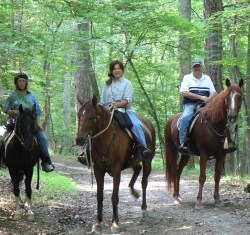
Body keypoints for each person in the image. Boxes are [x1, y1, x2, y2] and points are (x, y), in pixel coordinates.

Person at [78, 60, 152, 165]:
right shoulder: (107, 84)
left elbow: (127, 101)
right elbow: (102, 102)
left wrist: (115, 105)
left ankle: (143, 149)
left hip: (126, 111)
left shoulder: (127, 84)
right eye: (115, 69)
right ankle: (86, 153)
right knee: (93, 126)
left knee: (136, 125)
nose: (117, 71)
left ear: (122, 70)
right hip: (108, 112)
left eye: (119, 68)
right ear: (112, 71)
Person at [4, 72, 54, 172]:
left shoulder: (32, 96)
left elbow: (37, 111)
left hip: (30, 124)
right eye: (19, 81)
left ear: (26, 83)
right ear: (16, 83)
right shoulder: (12, 96)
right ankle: (3, 159)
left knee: (42, 138)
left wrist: (37, 123)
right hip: (14, 123)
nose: (21, 83)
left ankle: (46, 162)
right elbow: (6, 109)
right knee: (1, 137)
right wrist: (15, 112)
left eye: (23, 81)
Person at [178, 59, 217, 153]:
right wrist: (200, 97)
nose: (197, 68)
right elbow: (184, 92)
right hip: (190, 104)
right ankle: (183, 142)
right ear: (192, 68)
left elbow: (214, 92)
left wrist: (208, 99)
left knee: (221, 115)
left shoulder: (207, 78)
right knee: (186, 118)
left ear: (202, 67)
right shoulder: (187, 78)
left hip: (206, 104)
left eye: (198, 66)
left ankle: (224, 142)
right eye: (195, 66)